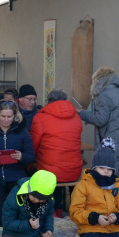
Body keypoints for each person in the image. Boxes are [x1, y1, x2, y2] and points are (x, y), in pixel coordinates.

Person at [79, 68, 119, 193]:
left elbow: (100, 120)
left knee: (111, 174)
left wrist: (82, 113)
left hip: (113, 140)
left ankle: (114, 205)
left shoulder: (104, 95)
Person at [30, 89, 83, 218]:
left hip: (50, 171)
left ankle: (52, 210)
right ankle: (62, 209)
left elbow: (33, 145)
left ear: (49, 101)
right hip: (74, 170)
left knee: (43, 169)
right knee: (57, 166)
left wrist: (28, 163)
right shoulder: (76, 117)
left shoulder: (40, 117)